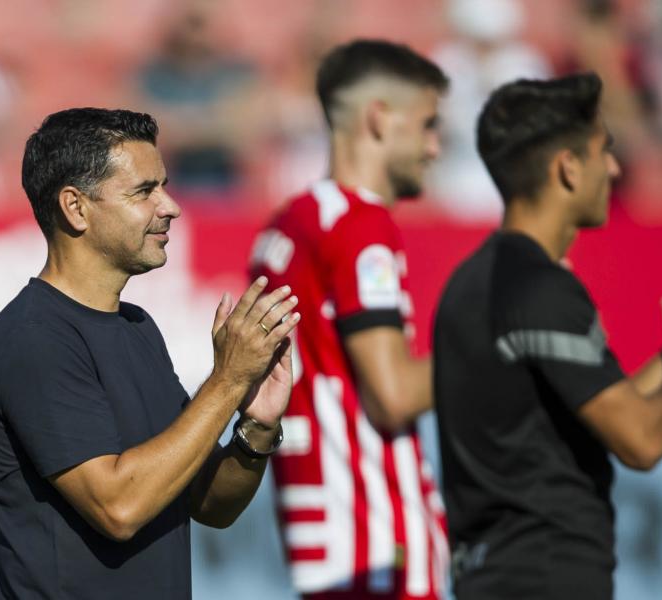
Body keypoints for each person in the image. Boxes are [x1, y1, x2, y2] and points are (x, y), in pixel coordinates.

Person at [432, 74, 662, 599]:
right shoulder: (540, 288)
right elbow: (641, 440)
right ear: (567, 168)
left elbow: (596, 413)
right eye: (603, 152)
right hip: (547, 579)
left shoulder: (469, 283)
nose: (614, 168)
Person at [0, 108, 299, 599]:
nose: (171, 207)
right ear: (75, 208)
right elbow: (119, 507)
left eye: (163, 185)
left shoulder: (138, 328)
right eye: (144, 191)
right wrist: (226, 381)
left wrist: (256, 428)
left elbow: (210, 504)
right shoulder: (34, 339)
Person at [247, 40, 449, 599]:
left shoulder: (287, 225)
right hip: (378, 543)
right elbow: (393, 395)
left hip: (321, 534)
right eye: (428, 125)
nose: (435, 147)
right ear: (379, 119)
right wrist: (496, 345)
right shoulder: (362, 230)